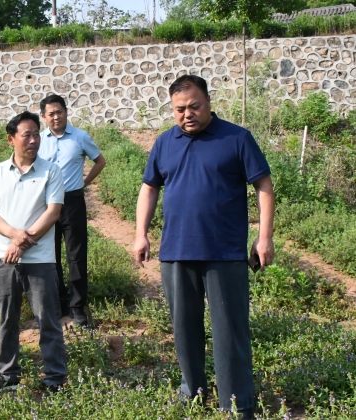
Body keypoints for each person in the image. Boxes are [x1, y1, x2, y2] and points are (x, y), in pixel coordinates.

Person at [132, 75, 275, 419]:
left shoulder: (236, 138)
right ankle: (193, 392)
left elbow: (263, 185)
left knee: (230, 332)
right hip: (176, 252)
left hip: (224, 252)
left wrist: (264, 236)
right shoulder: (165, 142)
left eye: (194, 106)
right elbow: (149, 188)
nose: (187, 114)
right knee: (184, 330)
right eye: (179, 109)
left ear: (209, 102)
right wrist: (141, 233)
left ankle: (236, 403)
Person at [0, 111, 68, 393]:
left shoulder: (51, 171)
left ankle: (55, 377)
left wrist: (19, 243)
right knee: (7, 319)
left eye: (36, 134)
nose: (33, 140)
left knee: (48, 320)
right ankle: (8, 375)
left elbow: (52, 213)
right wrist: (12, 235)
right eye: (26, 135)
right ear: (11, 139)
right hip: (4, 259)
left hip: (40, 260)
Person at [38, 94, 106, 325]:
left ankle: (77, 306)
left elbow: (100, 161)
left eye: (59, 112)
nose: (56, 117)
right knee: (51, 255)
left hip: (73, 202)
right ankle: (59, 302)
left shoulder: (80, 137)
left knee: (76, 255)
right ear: (44, 117)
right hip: (47, 204)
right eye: (51, 114)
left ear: (66, 112)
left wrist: (84, 182)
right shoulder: (39, 140)